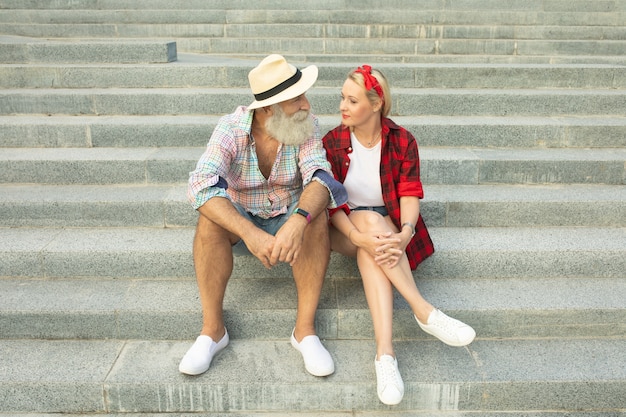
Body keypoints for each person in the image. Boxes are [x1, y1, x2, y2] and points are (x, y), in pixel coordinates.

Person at [180, 54, 347, 378]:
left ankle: (305, 331)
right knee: (210, 219)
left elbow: (320, 176)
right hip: (242, 216)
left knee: (315, 218)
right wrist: (249, 233)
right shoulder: (230, 128)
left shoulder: (306, 126)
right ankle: (213, 331)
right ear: (269, 107)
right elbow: (200, 184)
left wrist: (299, 220)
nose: (307, 105)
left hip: (286, 215)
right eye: (297, 98)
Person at [322, 65, 476, 405]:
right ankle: (424, 311)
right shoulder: (331, 142)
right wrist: (359, 235)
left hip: (389, 228)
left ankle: (385, 355)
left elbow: (409, 193)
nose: (342, 107)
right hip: (343, 228)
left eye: (352, 100)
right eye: (341, 99)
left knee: (374, 240)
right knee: (369, 229)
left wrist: (406, 232)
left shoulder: (402, 140)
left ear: (376, 104)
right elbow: (331, 205)